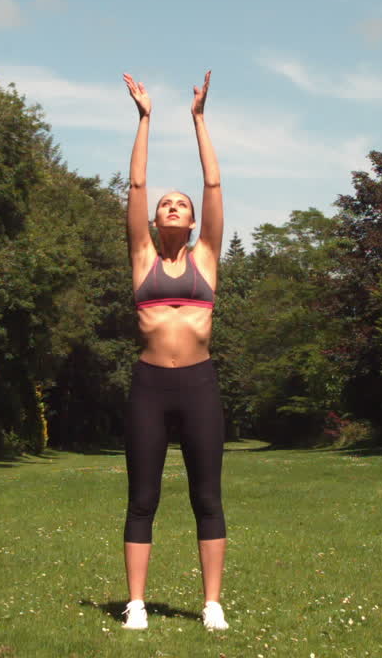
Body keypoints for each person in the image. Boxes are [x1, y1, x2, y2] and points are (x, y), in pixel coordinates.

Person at [119, 70, 228, 631]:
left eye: (178, 204)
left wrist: (199, 119)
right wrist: (145, 119)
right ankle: (135, 604)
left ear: (190, 222)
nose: (171, 206)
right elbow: (135, 188)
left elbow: (212, 187)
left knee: (207, 497)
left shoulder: (206, 257)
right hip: (150, 387)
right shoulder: (143, 259)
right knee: (144, 497)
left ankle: (211, 605)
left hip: (199, 385)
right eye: (165, 203)